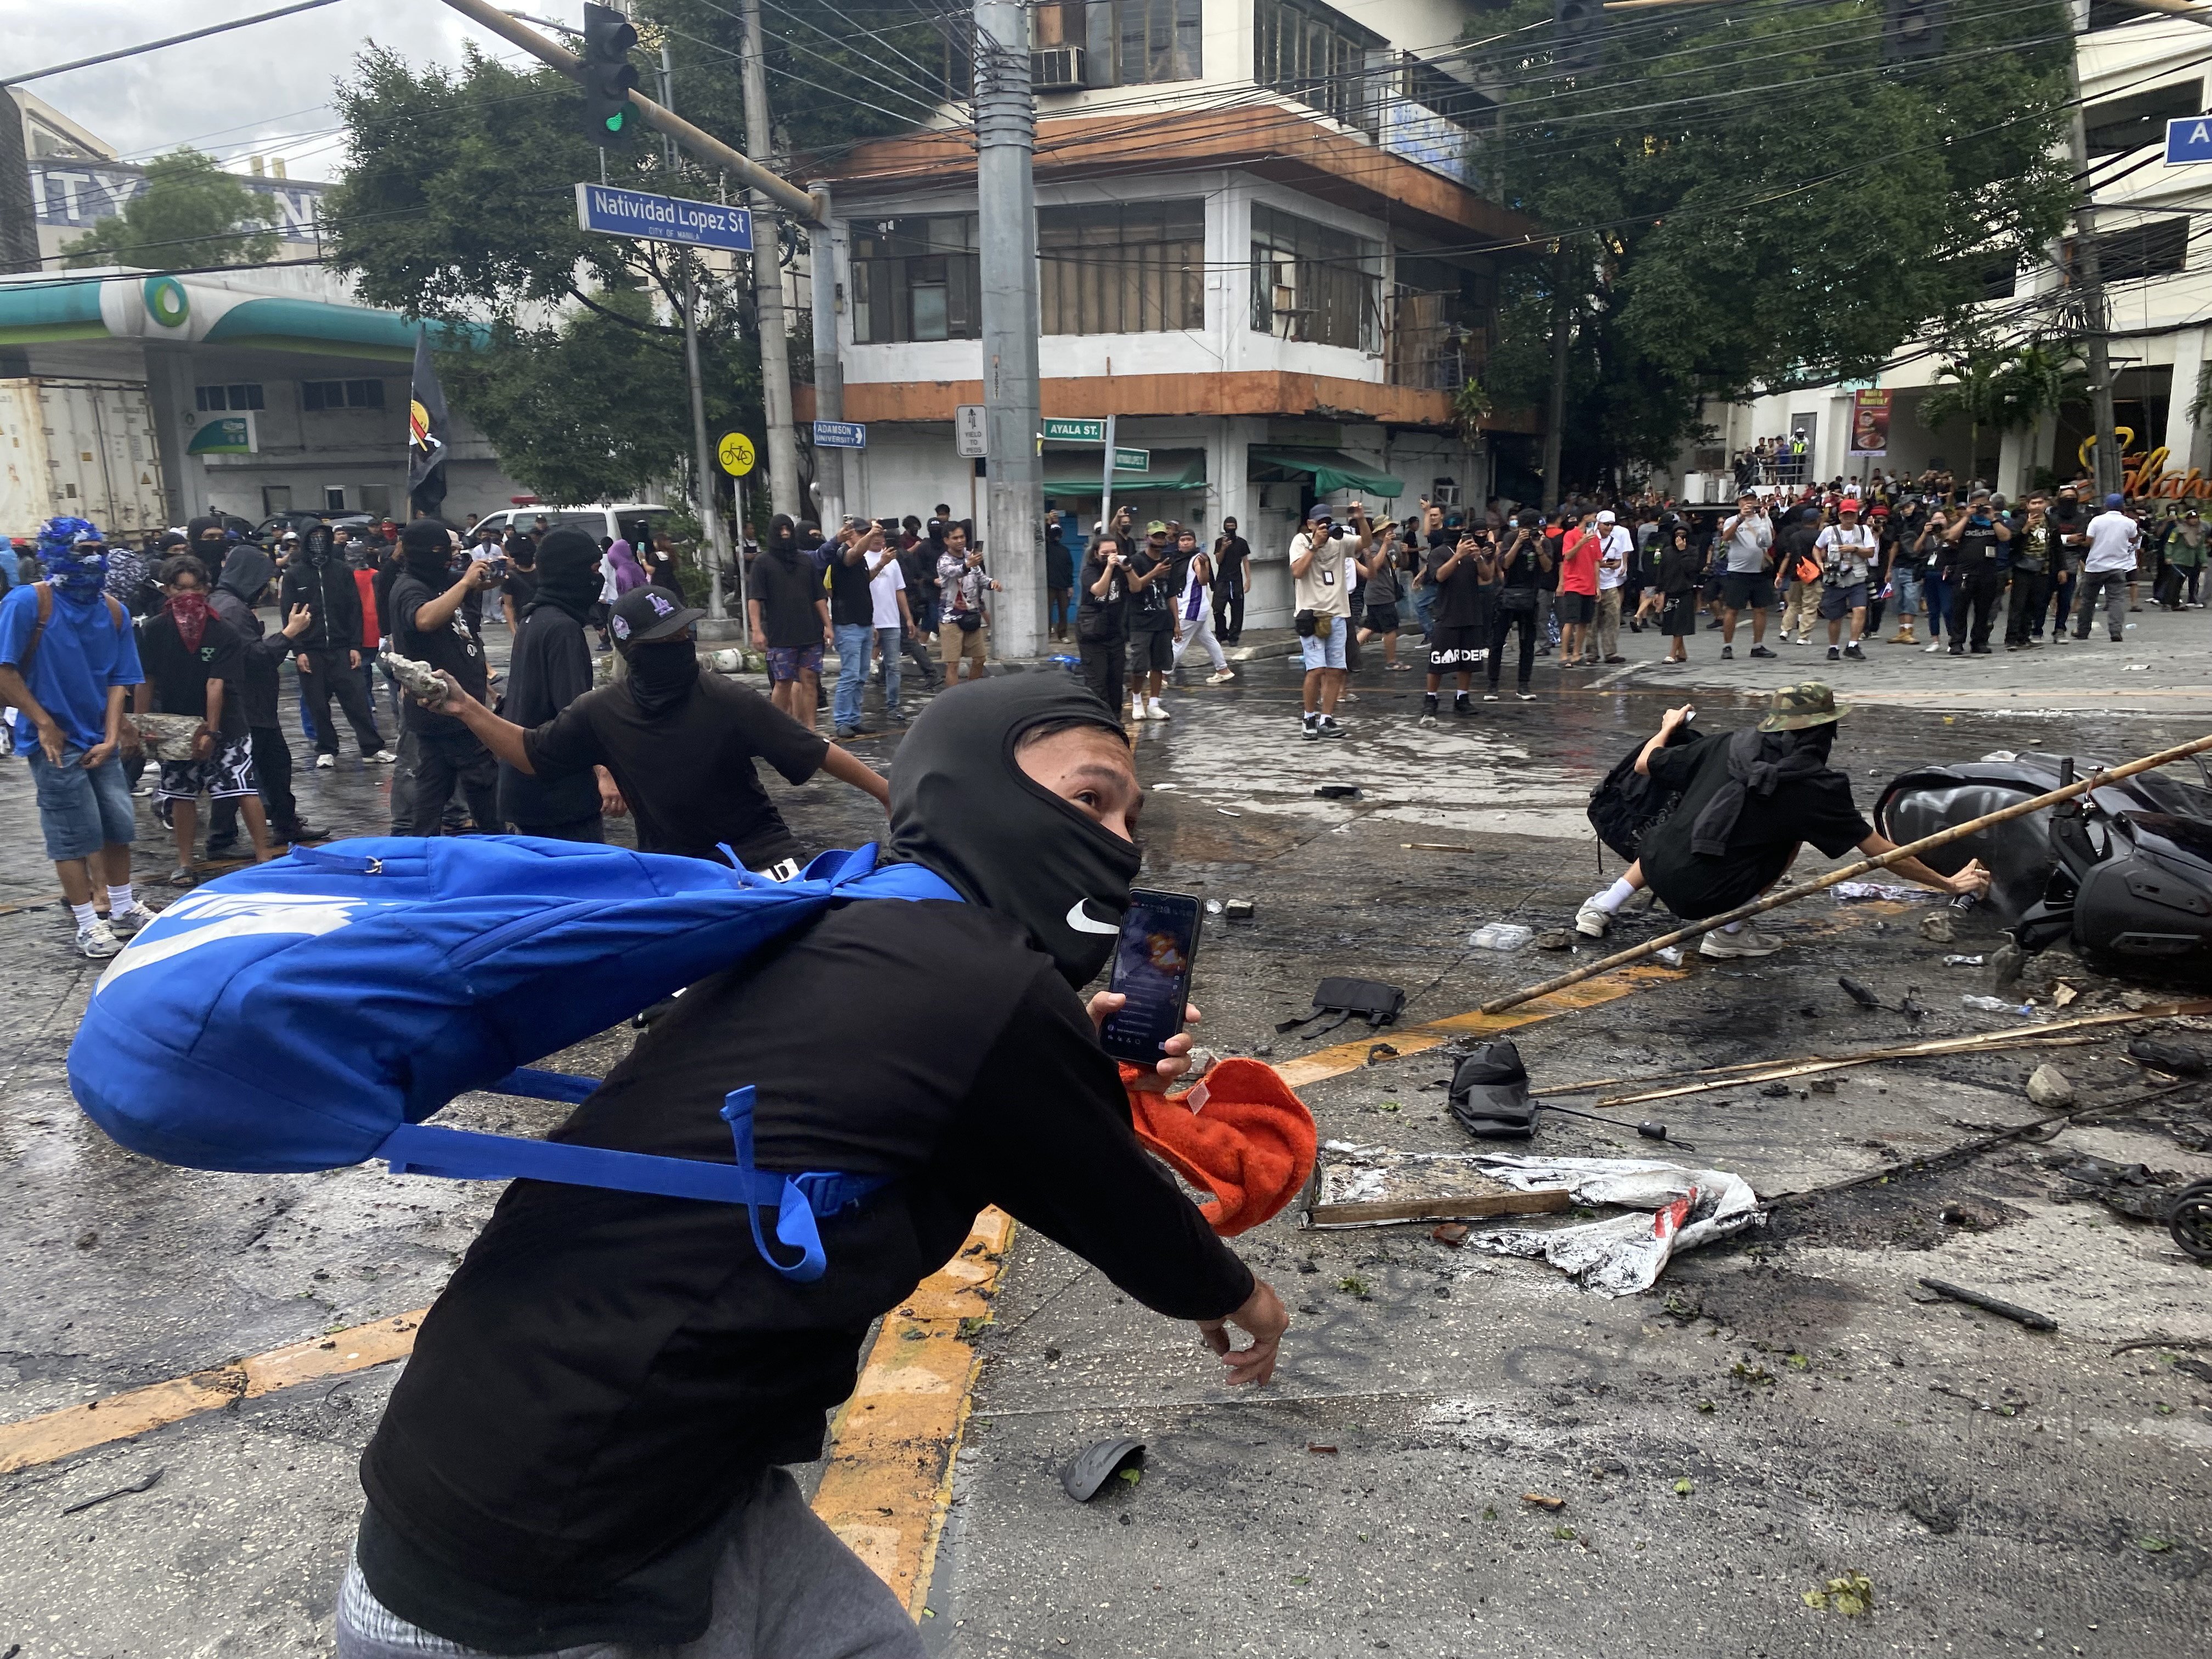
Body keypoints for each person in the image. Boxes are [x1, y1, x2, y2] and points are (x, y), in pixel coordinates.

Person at [333, 676, 1287, 1659]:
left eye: (1132, 812)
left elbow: (944, 1074)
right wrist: (1248, 1296)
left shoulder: (861, 909)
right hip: (545, 1558)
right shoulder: (984, 987)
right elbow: (1122, 1207)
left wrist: (1053, 1042)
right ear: (965, 786)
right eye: (1091, 798)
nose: (1122, 839)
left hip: (547, 1458)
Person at [419, 585, 889, 879]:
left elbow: (816, 749)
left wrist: (890, 794)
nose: (681, 647)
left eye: (684, 636)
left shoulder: (725, 698)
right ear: (634, 653)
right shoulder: (602, 711)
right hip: (676, 871)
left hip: (763, 854)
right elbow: (530, 752)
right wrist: (466, 708)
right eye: (665, 642)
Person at [1573, 684, 1990, 954]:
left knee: (1685, 818)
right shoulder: (1816, 788)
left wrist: (1667, 727)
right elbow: (1883, 854)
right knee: (1792, 835)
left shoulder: (1728, 744)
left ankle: (1602, 906)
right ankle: (1729, 932)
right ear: (1825, 733)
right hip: (1710, 898)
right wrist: (1948, 883)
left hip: (1659, 864)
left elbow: (1646, 764)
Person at [0, 520, 154, 956]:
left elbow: (118, 681)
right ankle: (88, 923)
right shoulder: (29, 602)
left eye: (98, 549)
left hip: (97, 738)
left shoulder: (113, 610)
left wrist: (110, 737)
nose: (92, 558)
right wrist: (43, 721)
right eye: (82, 549)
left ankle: (123, 908)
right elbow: (5, 669)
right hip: (53, 739)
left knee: (117, 825)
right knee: (72, 831)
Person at [135, 554, 277, 883]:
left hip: (226, 722)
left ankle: (264, 855)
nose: (189, 597)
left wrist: (211, 733)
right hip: (176, 723)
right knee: (181, 793)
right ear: (167, 590)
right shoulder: (154, 630)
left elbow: (217, 684)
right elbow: (146, 679)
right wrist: (141, 726)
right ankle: (185, 861)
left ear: (207, 589)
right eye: (180, 589)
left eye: (197, 588)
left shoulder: (221, 630)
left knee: (242, 786)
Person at [497, 528, 619, 841]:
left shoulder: (533, 619)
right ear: (572, 572)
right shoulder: (563, 629)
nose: (598, 580)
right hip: (558, 795)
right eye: (593, 571)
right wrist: (604, 772)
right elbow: (576, 715)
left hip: (527, 785)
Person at [204, 541, 321, 850]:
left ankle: (284, 822)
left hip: (253, 703)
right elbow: (253, 656)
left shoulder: (227, 604)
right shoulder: (231, 609)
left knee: (272, 765)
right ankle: (222, 837)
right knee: (243, 769)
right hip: (246, 704)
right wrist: (288, 634)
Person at [388, 519, 501, 835]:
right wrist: (464, 585)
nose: (450, 558)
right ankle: (496, 840)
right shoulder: (409, 586)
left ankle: (421, 844)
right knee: (480, 776)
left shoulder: (438, 578)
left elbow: (473, 583)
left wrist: (487, 574)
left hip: (451, 704)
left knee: (433, 783)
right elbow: (423, 619)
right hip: (445, 706)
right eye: (444, 551)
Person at [281, 524, 392, 770]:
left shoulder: (342, 571)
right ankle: (326, 749)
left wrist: (356, 645)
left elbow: (354, 610)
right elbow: (287, 615)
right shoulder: (294, 575)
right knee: (317, 704)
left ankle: (372, 748)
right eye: (314, 538)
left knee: (357, 701)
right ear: (305, 541)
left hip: (343, 649)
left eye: (324, 538)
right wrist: (298, 650)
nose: (319, 543)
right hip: (311, 650)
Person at [749, 515, 831, 732]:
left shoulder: (805, 561)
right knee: (783, 682)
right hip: (781, 634)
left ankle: (811, 730)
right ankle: (778, 731)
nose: (785, 534)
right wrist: (757, 630)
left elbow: (819, 597)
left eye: (788, 529)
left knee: (810, 680)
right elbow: (755, 599)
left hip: (811, 633)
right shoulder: (762, 563)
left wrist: (828, 625)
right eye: (780, 530)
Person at [1291, 503, 1366, 740]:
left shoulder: (1340, 540)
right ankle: (1308, 717)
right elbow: (1297, 572)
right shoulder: (1301, 541)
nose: (1325, 527)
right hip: (1311, 615)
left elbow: (1366, 542)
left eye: (1328, 522)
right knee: (1316, 669)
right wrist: (1315, 546)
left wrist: (1361, 519)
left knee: (1336, 670)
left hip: (1338, 614)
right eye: (1320, 523)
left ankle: (1327, 718)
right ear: (1311, 524)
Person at [1420, 528, 1489, 723]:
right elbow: (1440, 576)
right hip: (1447, 613)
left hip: (1471, 612)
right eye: (1455, 527)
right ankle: (1431, 699)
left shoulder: (1473, 552)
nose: (1460, 533)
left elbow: (1486, 576)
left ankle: (1462, 697)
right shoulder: (1439, 552)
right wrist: (1457, 556)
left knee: (1468, 660)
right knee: (1439, 660)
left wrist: (1478, 558)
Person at [1942, 488, 2010, 656]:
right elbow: (1951, 536)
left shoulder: (1996, 521)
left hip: (1988, 573)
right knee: (1960, 609)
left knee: (1984, 610)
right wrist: (1966, 516)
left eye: (1983, 505)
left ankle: (1979, 641)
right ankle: (1956, 642)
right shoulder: (1965, 521)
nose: (1980, 509)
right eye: (1976, 505)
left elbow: (2006, 537)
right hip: (1965, 573)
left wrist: (1992, 517)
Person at [1484, 516, 1545, 701]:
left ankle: (1524, 685)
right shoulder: (1511, 538)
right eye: (1526, 528)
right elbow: (1505, 564)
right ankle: (1493, 685)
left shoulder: (1542, 541)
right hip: (1508, 596)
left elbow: (1548, 567)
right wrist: (1518, 542)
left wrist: (1539, 547)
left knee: (1527, 645)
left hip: (1530, 597)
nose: (1529, 532)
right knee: (1497, 643)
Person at [1124, 521, 1179, 723]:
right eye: (1156, 536)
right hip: (1140, 620)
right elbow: (1135, 587)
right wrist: (1155, 572)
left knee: (1160, 664)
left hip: (1163, 620)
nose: (1160, 540)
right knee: (1139, 665)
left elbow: (1172, 593)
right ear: (1147, 538)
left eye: (1163, 536)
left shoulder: (1168, 560)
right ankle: (1137, 701)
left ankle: (1154, 704)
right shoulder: (1136, 561)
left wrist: (1176, 623)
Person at [936, 522, 1001, 696]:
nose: (960, 541)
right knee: (953, 663)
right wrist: (968, 564)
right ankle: (952, 700)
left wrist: (992, 583)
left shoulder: (970, 556)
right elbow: (954, 572)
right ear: (946, 541)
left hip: (971, 614)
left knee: (980, 658)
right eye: (955, 538)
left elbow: (981, 578)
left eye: (962, 537)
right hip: (950, 618)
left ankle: (971, 695)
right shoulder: (944, 560)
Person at [1716, 493, 1779, 661]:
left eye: (1752, 499)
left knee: (1761, 609)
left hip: (1759, 571)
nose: (1749, 502)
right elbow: (1726, 538)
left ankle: (1758, 646)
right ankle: (1727, 646)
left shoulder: (1762, 518)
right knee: (1732, 609)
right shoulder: (1732, 520)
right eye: (1745, 500)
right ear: (1739, 503)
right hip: (1738, 572)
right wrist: (1740, 519)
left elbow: (1771, 539)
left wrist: (1765, 517)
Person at [1171, 526, 1234, 685]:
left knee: (1178, 641)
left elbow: (1203, 580)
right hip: (1191, 606)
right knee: (1208, 640)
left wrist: (1204, 566)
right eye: (1183, 540)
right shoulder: (1177, 559)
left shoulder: (1197, 559)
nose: (1186, 543)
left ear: (1195, 542)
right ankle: (1223, 670)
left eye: (1189, 540)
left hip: (1193, 607)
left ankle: (1162, 674)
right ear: (1178, 543)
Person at [864, 528, 915, 726]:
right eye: (874, 537)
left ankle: (893, 706)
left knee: (894, 666)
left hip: (892, 621)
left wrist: (908, 618)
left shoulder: (893, 562)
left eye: (881, 537)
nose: (879, 541)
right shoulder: (862, 560)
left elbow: (899, 591)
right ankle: (856, 710)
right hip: (870, 622)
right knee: (863, 669)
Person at [2073, 492, 2140, 642]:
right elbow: (2134, 537)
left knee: (2088, 600)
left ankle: (2083, 631)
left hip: (2095, 566)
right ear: (2123, 507)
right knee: (2116, 600)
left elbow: (2089, 541)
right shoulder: (2129, 522)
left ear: (2105, 506)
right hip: (2118, 567)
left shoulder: (2097, 521)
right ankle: (2116, 632)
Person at [1814, 499, 1875, 662]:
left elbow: (1870, 552)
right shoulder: (1829, 531)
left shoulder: (1864, 531)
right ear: (1840, 515)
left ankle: (1853, 645)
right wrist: (1820, 564)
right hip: (1835, 580)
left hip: (1857, 578)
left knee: (1860, 609)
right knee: (1835, 617)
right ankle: (1833, 648)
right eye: (1845, 514)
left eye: (1852, 514)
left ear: (1857, 515)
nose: (1849, 517)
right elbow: (1817, 548)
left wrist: (1855, 549)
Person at [1077, 533, 1130, 713]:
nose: (1111, 556)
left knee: (1116, 682)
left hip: (1115, 632)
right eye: (1106, 553)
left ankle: (1115, 721)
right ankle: (1098, 720)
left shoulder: (1121, 570)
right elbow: (1099, 591)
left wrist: (1128, 569)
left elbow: (1136, 587)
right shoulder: (1089, 570)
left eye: (1114, 552)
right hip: (1092, 633)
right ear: (1096, 554)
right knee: (1097, 683)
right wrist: (1109, 567)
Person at [2004, 494, 2056, 649]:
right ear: (2028, 505)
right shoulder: (2020, 520)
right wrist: (2025, 528)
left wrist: (2061, 568)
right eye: (2034, 503)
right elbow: (2011, 541)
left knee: (2034, 605)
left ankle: (2024, 637)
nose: (2038, 506)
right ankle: (2011, 639)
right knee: (2018, 605)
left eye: (2041, 502)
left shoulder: (2050, 521)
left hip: (2042, 568)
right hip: (2022, 567)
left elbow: (2056, 546)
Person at [1356, 520, 1408, 672]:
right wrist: (1384, 546)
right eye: (1389, 527)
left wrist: (1405, 553)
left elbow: (1400, 564)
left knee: (1370, 627)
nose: (1392, 530)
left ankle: (1346, 655)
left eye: (1392, 527)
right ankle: (1391, 661)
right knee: (1390, 628)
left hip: (1388, 591)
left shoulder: (1393, 546)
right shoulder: (1373, 546)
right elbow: (1375, 567)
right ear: (1381, 530)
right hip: (1379, 594)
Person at [1555, 509, 1600, 668]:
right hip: (1574, 584)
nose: (1595, 518)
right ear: (1585, 517)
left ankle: (1576, 653)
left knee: (1584, 622)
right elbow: (1567, 556)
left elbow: (1596, 562)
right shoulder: (1570, 535)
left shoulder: (1595, 538)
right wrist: (1581, 542)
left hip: (1589, 585)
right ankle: (1563, 655)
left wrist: (1597, 587)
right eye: (1593, 515)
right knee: (1570, 621)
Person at [1655, 520, 1702, 665]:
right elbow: (1661, 572)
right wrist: (1659, 592)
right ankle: (1682, 652)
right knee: (1671, 624)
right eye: (1677, 535)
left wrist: (1683, 552)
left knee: (1679, 625)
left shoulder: (1693, 551)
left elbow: (1692, 569)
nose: (1680, 538)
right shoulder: (1667, 551)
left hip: (1685, 591)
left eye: (1683, 535)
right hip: (1670, 592)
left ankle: (1672, 654)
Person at [1591, 509, 1631, 663]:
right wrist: (1599, 564)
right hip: (1593, 584)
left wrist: (1615, 565)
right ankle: (1591, 653)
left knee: (1613, 619)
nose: (1609, 527)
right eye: (1606, 524)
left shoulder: (1616, 541)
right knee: (1592, 622)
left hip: (1611, 584)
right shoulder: (1590, 539)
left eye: (1612, 525)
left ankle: (1611, 652)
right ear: (1599, 524)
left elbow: (1619, 559)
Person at [1211, 516, 1250, 644]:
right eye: (1228, 526)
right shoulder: (1219, 542)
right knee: (1217, 608)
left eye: (1233, 526)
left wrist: (1248, 579)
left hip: (1236, 580)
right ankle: (1221, 633)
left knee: (1237, 610)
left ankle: (1234, 637)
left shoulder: (1242, 543)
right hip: (1222, 580)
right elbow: (1218, 561)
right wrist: (1223, 548)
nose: (1230, 529)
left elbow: (1245, 561)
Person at [1045, 515, 1074, 643]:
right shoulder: (1045, 549)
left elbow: (1069, 569)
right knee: (1047, 611)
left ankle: (1062, 635)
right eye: (1054, 533)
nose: (1056, 535)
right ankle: (1046, 634)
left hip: (1063, 586)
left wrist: (1070, 586)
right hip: (1049, 585)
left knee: (1063, 610)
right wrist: (1050, 522)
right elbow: (1043, 534)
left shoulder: (1065, 551)